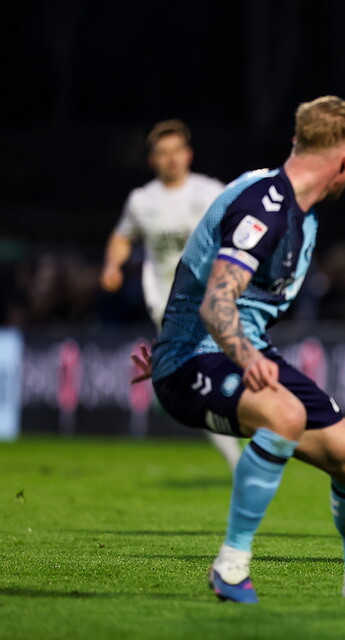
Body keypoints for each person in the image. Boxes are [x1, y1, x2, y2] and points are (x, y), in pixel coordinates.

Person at [147, 96, 345, 602]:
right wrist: (240, 357)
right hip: (195, 360)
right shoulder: (265, 205)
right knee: (284, 415)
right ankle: (231, 566)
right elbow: (215, 304)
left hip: (235, 349)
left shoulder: (298, 210)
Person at [100, 119, 243, 473]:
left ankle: (174, 388)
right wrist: (112, 267)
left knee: (216, 376)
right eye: (163, 153)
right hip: (167, 305)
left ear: (188, 154)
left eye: (177, 150)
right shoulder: (141, 201)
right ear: (153, 160)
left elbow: (244, 222)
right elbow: (122, 236)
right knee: (204, 375)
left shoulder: (210, 191)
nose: (172, 159)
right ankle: (240, 459)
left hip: (215, 297)